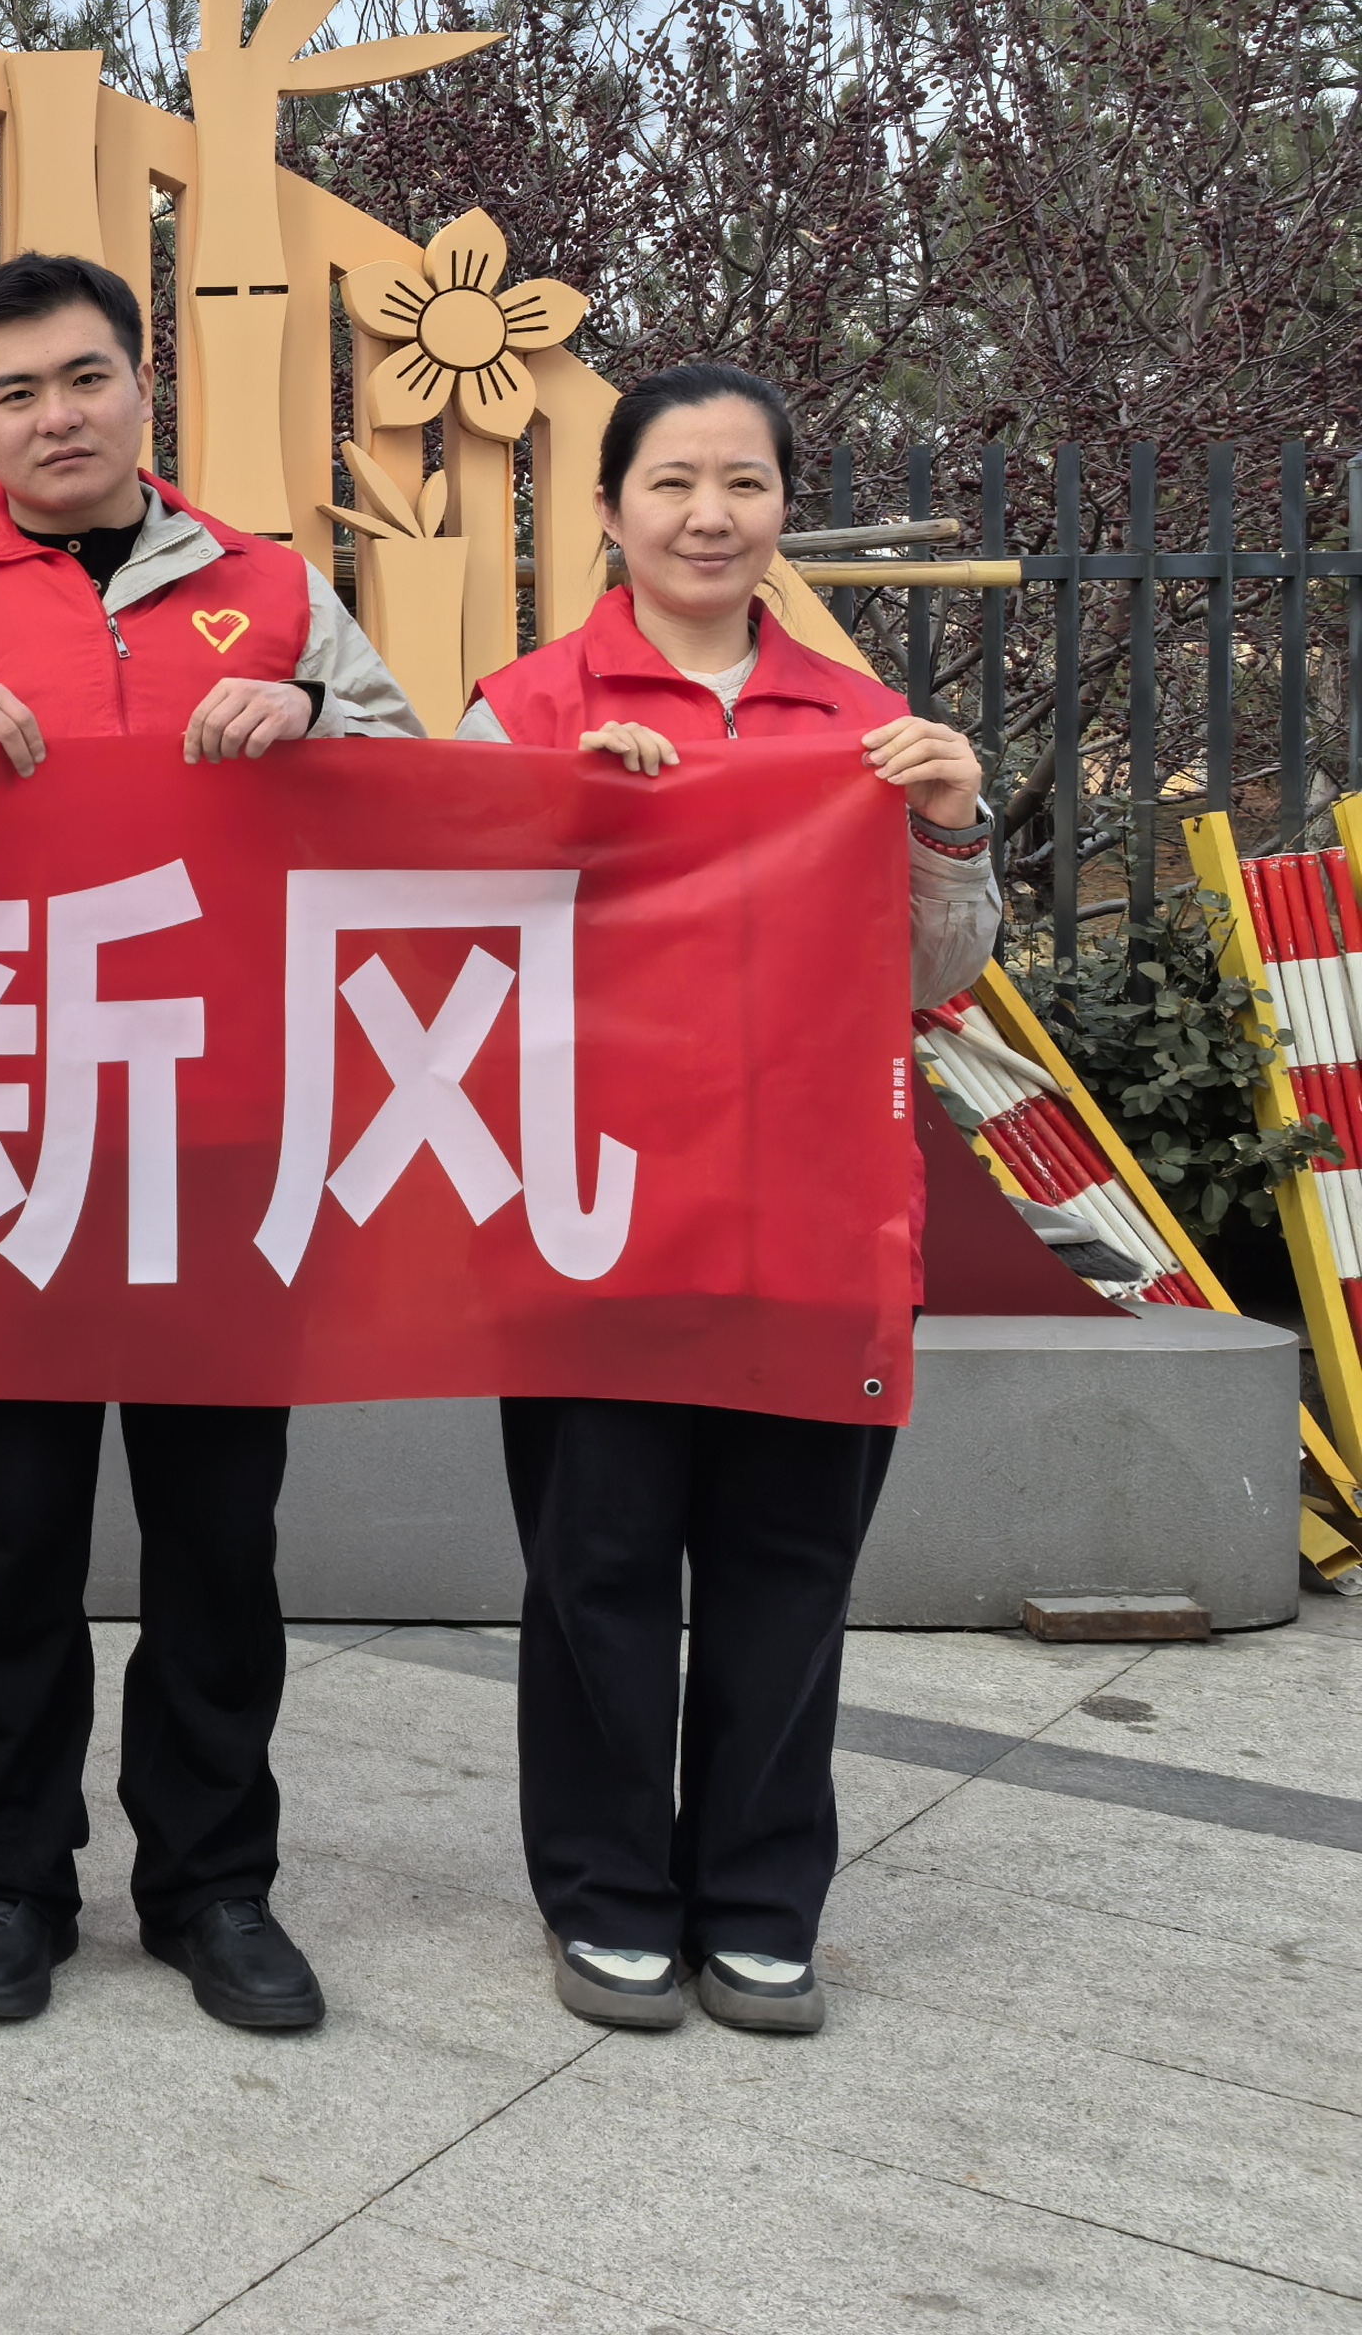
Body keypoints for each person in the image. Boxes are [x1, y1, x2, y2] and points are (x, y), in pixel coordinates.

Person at [0, 251, 421, 2037]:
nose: (57, 416)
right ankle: (4, 1882)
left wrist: (317, 720)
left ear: (142, 389)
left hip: (224, 1139)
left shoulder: (276, 590)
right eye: (15, 393)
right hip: (6, 1139)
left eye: (86, 378)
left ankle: (213, 1883)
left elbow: (423, 793)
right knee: (9, 1538)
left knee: (218, 1540)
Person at [460, 361, 993, 2037]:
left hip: (817, 1226)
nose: (710, 516)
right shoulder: (521, 710)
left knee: (788, 1569)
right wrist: (557, 821)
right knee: (599, 1567)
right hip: (597, 1224)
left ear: (783, 509)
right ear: (609, 509)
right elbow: (443, 957)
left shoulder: (861, 723)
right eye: (673, 483)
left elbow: (934, 973)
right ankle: (609, 1896)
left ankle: (762, 1903)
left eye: (745, 483)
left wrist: (953, 823)